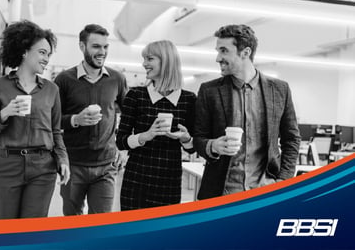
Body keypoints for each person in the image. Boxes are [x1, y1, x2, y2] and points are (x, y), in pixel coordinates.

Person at [194, 24, 300, 200]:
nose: (217, 58)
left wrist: (283, 180)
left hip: (266, 192)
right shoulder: (209, 90)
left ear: (245, 52)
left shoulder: (280, 89)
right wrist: (213, 146)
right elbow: (198, 137)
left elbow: (292, 139)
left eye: (224, 51)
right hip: (222, 193)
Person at [0, 20, 70, 219]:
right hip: (7, 165)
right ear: (24, 51)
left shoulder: (51, 89)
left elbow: (56, 131)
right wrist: (5, 113)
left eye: (49, 54)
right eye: (42, 52)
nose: (46, 58)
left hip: (43, 167)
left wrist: (63, 160)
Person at [54, 24, 128, 215]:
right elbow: (51, 121)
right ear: (82, 46)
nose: (102, 52)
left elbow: (129, 115)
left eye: (105, 47)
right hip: (73, 165)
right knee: (73, 224)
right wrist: (75, 119)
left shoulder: (117, 79)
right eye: (96, 46)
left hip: (106, 166)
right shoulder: (64, 80)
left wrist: (123, 147)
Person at [116, 40, 196, 210]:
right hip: (136, 180)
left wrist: (186, 138)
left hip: (169, 182)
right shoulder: (136, 96)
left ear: (166, 61)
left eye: (150, 59)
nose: (144, 64)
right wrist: (145, 136)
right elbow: (120, 141)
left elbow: (191, 148)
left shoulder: (189, 100)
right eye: (144, 59)